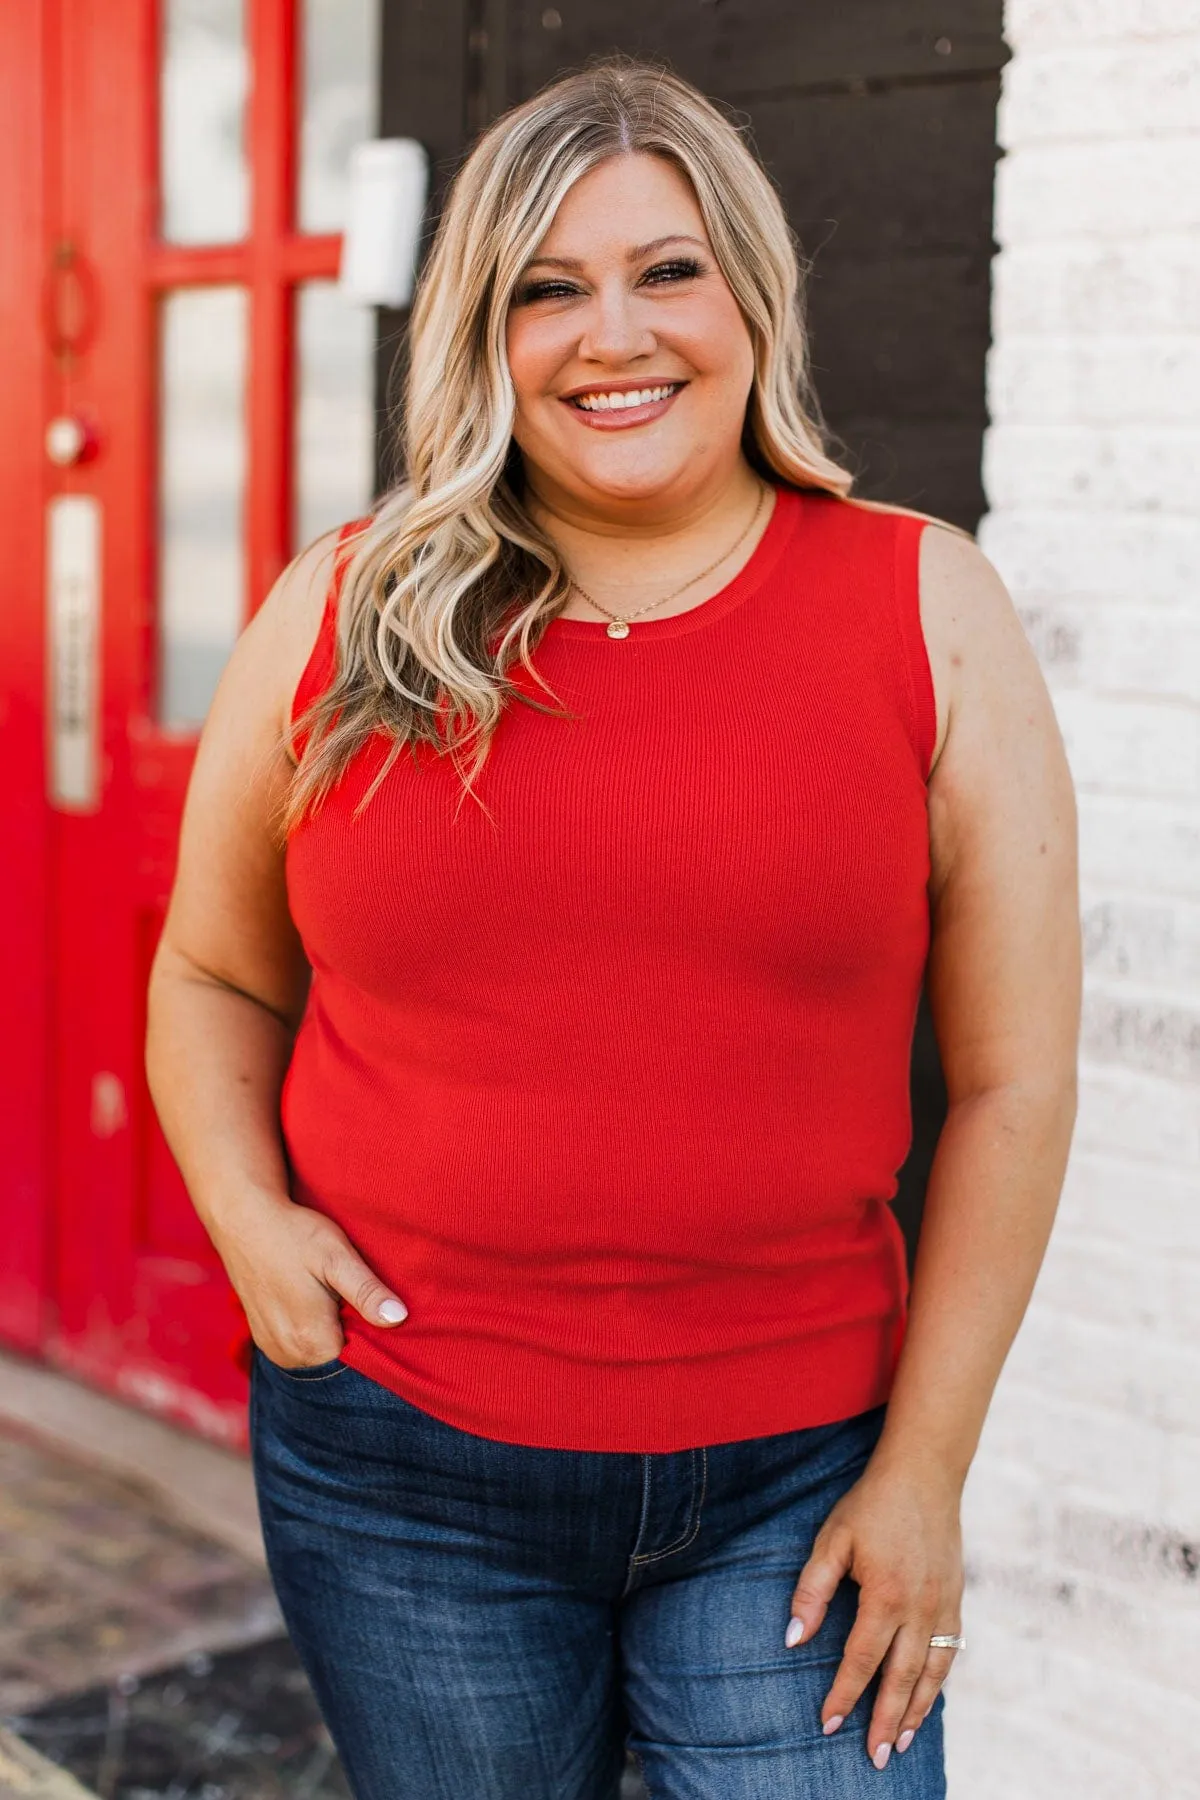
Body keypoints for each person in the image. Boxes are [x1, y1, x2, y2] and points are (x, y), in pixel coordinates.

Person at [145, 57, 1080, 1800]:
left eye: (668, 269)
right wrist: (248, 1220)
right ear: (480, 334)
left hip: (798, 1480)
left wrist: (928, 1470)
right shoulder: (339, 613)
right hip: (400, 1473)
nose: (613, 333)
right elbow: (210, 972)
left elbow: (1018, 1077)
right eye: (546, 288)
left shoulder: (923, 605)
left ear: (751, 294)